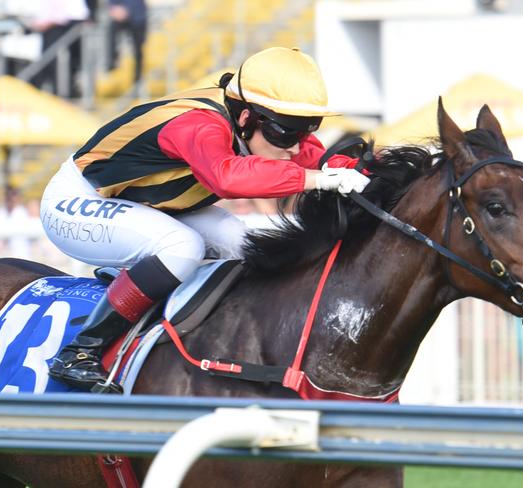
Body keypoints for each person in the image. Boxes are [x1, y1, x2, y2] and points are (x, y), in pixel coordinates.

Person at [40, 47, 370, 392]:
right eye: (286, 134)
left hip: (152, 204)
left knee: (241, 245)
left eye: (304, 132)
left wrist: (364, 171)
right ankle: (80, 351)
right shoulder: (198, 124)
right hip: (78, 200)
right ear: (246, 118)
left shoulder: (255, 123)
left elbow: (319, 159)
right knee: (183, 246)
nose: (294, 148)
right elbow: (226, 178)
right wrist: (316, 180)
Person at [106, 0, 148, 86]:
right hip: (124, 16)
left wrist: (128, 10)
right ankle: (112, 60)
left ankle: (138, 77)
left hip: (138, 18)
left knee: (138, 49)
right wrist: (114, 8)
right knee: (111, 30)